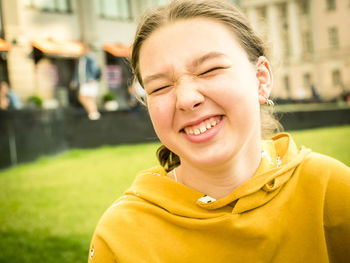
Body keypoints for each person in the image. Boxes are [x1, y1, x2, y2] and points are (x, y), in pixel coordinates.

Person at [88, 1, 350, 262]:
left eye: (210, 70)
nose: (186, 98)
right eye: (159, 87)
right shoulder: (122, 236)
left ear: (261, 79)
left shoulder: (332, 191)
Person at [71, 45, 101, 120]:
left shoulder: (90, 57)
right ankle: (93, 113)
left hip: (89, 81)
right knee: (86, 98)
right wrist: (75, 81)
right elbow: (77, 72)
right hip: (84, 81)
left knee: (86, 97)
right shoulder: (81, 59)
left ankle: (93, 113)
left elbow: (95, 68)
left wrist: (92, 77)